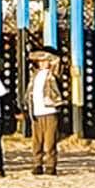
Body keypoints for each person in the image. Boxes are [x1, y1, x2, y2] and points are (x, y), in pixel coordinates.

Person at [23, 46, 66, 176]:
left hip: (50, 110)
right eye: (39, 61)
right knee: (36, 141)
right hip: (36, 112)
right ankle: (37, 164)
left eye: (44, 60)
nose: (42, 63)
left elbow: (57, 60)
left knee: (50, 141)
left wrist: (45, 54)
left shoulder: (53, 74)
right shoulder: (34, 75)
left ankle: (50, 165)